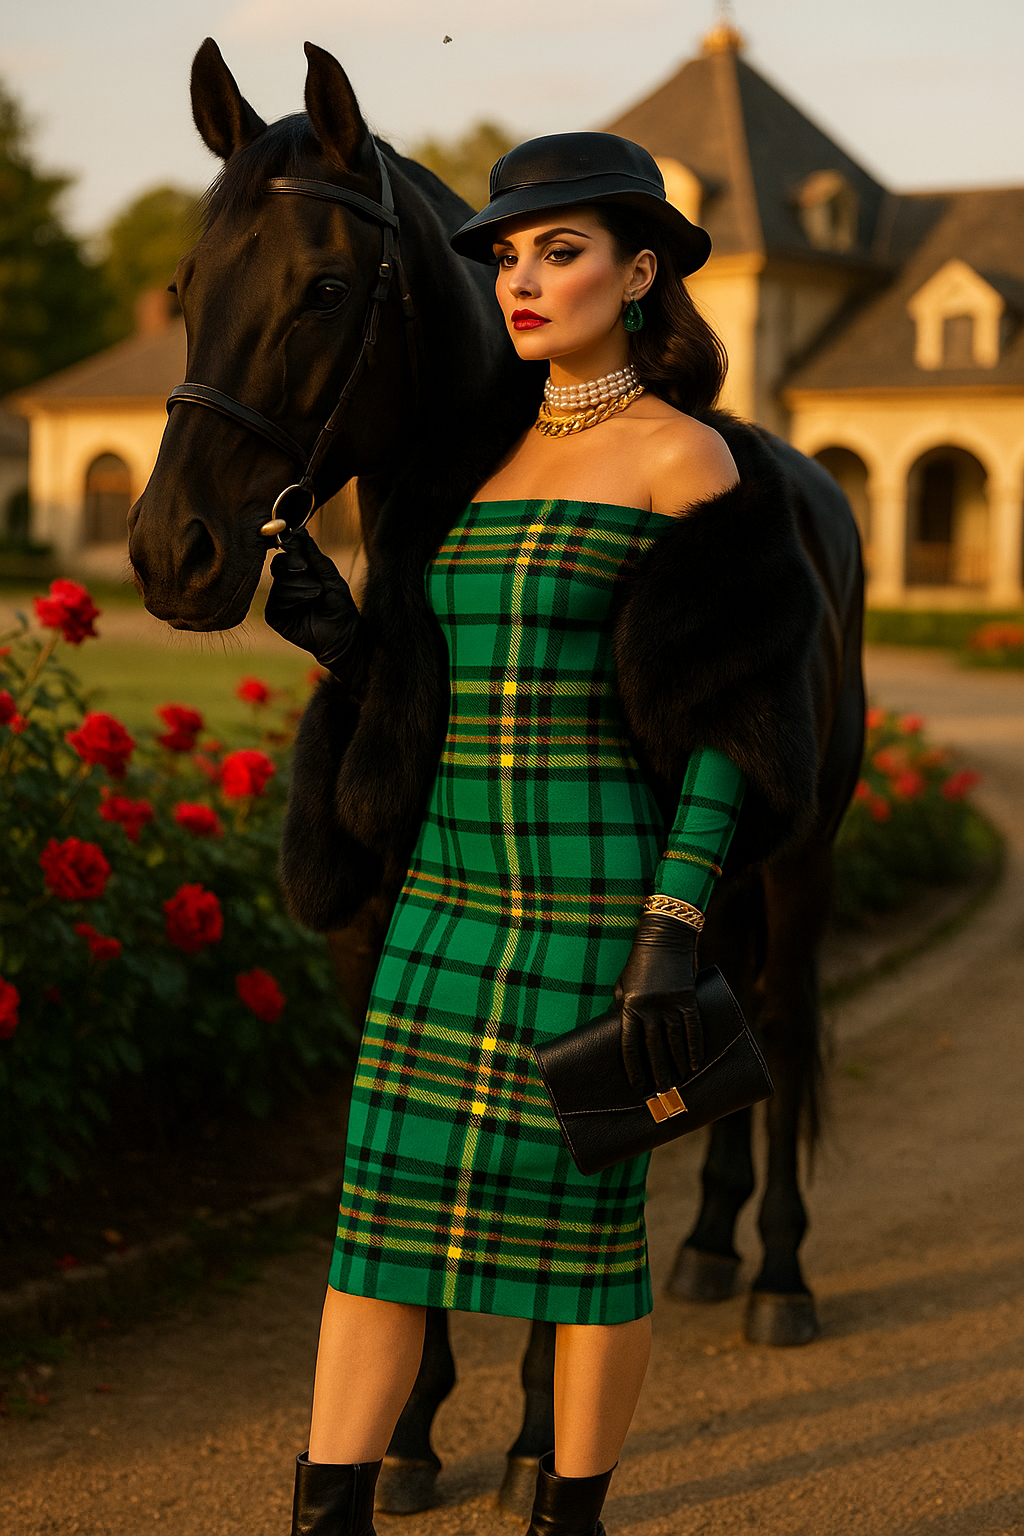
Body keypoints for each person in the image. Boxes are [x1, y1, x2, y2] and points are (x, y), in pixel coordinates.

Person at [266, 133, 822, 1536]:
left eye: (557, 250)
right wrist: (352, 645)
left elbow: (727, 733)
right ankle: (323, 1515)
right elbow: (432, 684)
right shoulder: (466, 462)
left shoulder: (692, 461)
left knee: (583, 1251)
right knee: (379, 1238)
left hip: (595, 910)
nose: (521, 277)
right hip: (442, 906)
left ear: (640, 274)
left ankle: (566, 1519)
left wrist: (673, 930)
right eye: (508, 253)